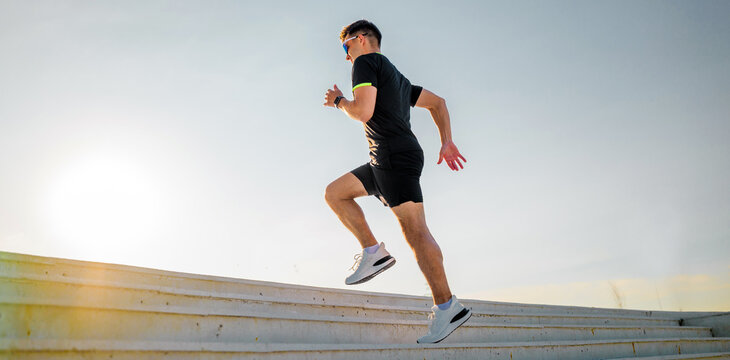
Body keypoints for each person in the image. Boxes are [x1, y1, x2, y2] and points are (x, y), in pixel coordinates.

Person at [322, 19, 470, 344]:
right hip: (385, 159)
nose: (346, 57)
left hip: (391, 156)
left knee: (416, 231)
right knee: (335, 193)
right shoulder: (397, 78)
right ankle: (372, 250)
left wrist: (339, 102)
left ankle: (447, 305)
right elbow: (439, 103)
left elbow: (362, 111)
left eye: (345, 48)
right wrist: (446, 141)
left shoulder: (365, 62)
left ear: (360, 40)